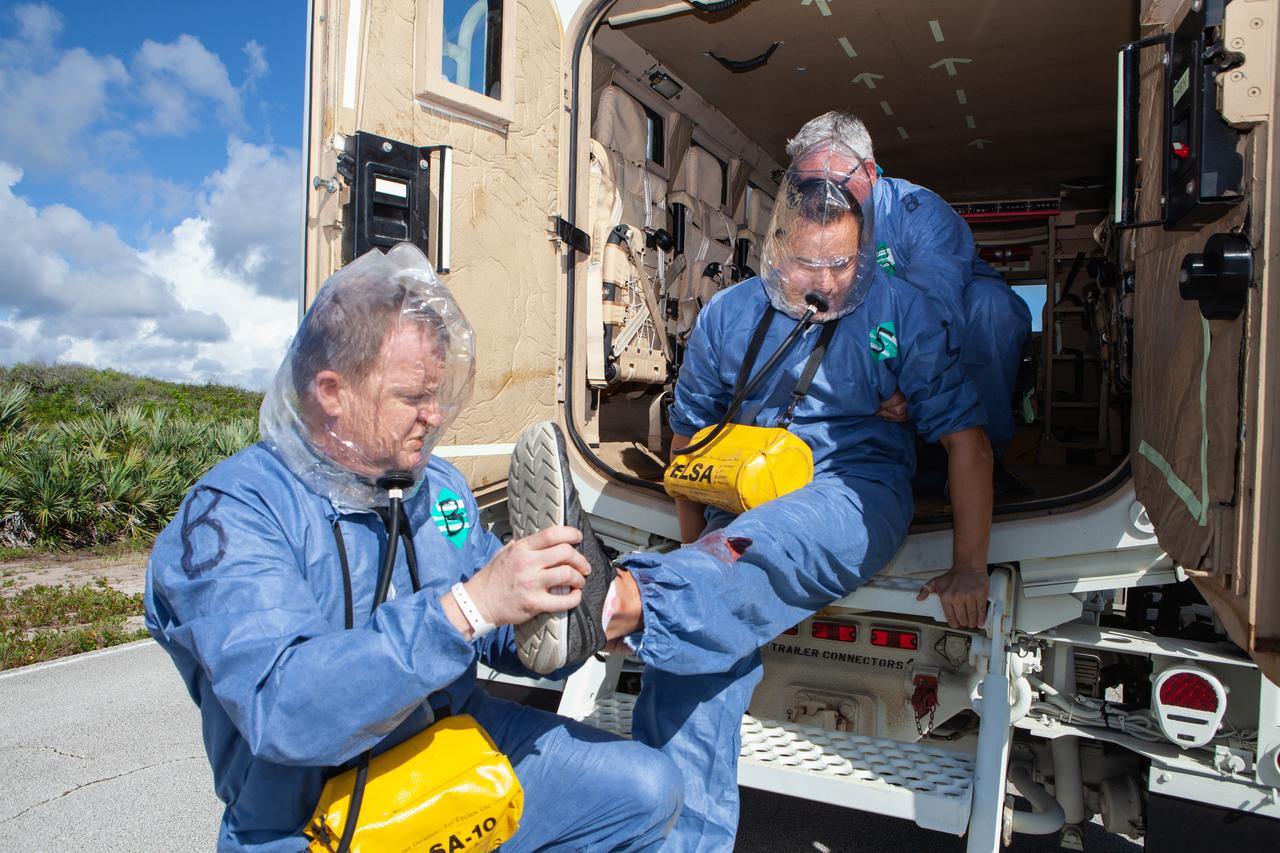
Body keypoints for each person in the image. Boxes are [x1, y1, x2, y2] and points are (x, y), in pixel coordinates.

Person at [511, 140, 993, 851]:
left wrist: (971, 566)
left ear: (864, 252)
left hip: (855, 487)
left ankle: (613, 603)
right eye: (803, 264)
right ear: (777, 247)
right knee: (695, 650)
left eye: (838, 265)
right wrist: (691, 550)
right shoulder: (731, 315)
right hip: (746, 489)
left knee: (773, 542)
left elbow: (967, 444)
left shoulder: (903, 313)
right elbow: (689, 448)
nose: (818, 283)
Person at [144, 243, 681, 853]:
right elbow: (284, 712)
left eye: (440, 394)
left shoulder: (438, 487)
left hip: (448, 748)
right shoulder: (234, 513)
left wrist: (576, 617)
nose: (434, 416)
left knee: (645, 789)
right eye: (411, 398)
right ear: (331, 392)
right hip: (308, 808)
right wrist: (468, 608)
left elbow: (507, 637)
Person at [788, 111, 1033, 492]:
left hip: (949, 325)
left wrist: (906, 386)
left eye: (832, 183)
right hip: (873, 333)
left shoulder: (919, 212)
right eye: (808, 187)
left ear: (868, 171)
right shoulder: (814, 225)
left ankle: (985, 457)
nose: (821, 199)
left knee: (991, 308)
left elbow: (938, 306)